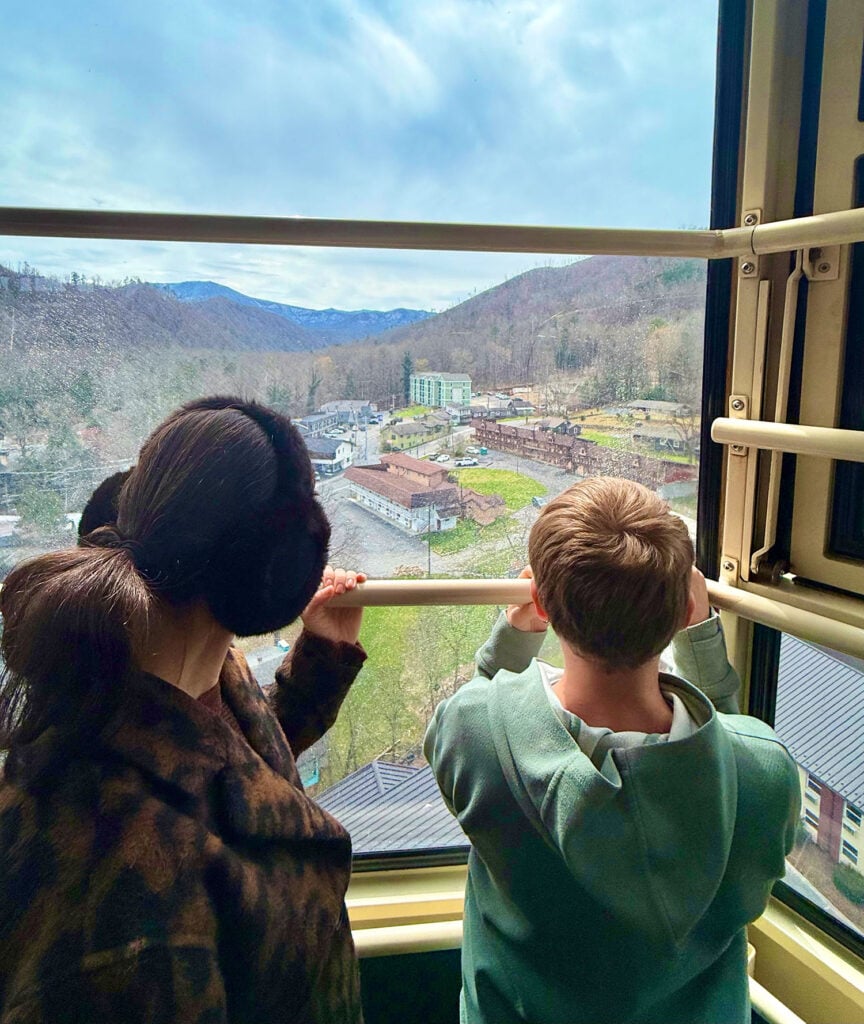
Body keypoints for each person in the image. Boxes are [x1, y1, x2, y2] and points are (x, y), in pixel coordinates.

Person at [0, 396, 367, 1024]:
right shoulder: (125, 920)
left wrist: (322, 658)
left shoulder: (179, 670)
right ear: (280, 572)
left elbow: (231, 778)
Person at [425, 476, 801, 1024]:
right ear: (680, 612)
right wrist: (703, 645)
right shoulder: (764, 774)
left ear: (542, 603)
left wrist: (513, 635)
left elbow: (470, 712)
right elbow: (734, 742)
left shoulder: (475, 732)